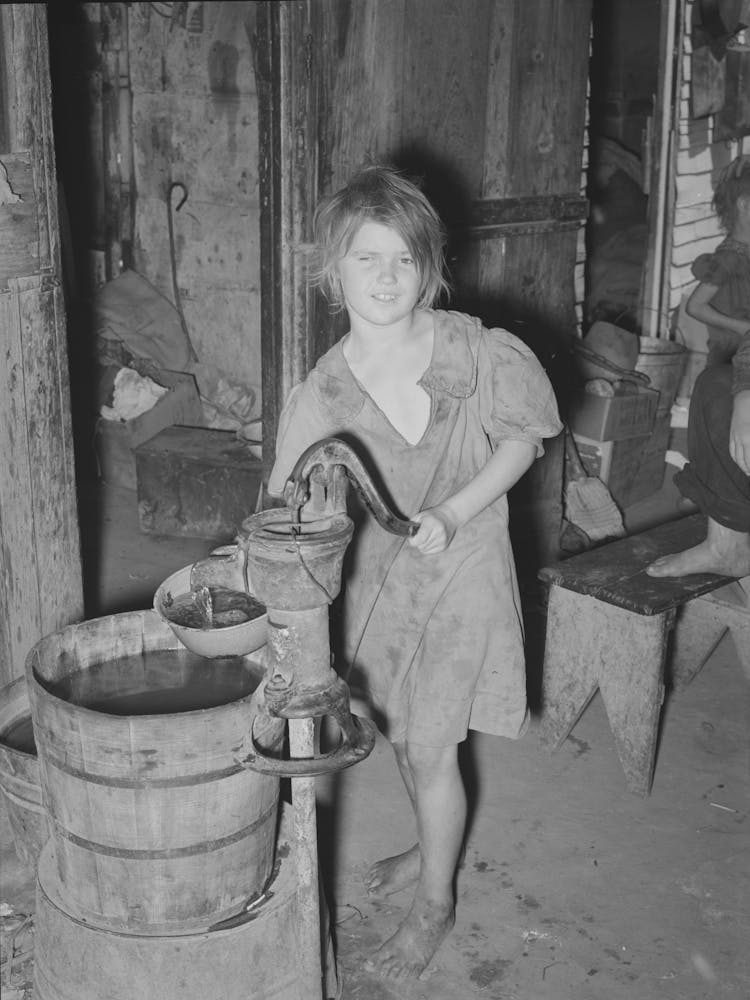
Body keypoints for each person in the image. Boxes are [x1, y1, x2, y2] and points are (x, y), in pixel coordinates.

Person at [267, 164, 562, 980]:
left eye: (404, 258)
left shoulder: (473, 348)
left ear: (429, 267)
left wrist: (456, 511)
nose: (387, 277)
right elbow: (285, 505)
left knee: (432, 745)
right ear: (334, 270)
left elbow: (523, 440)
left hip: (463, 566)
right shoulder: (321, 393)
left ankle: (435, 902)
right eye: (367, 258)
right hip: (381, 590)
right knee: (400, 732)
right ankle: (428, 851)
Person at [647, 155, 750, 579]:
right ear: (744, 204)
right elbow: (696, 306)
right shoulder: (732, 257)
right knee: (717, 396)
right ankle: (726, 541)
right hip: (734, 352)